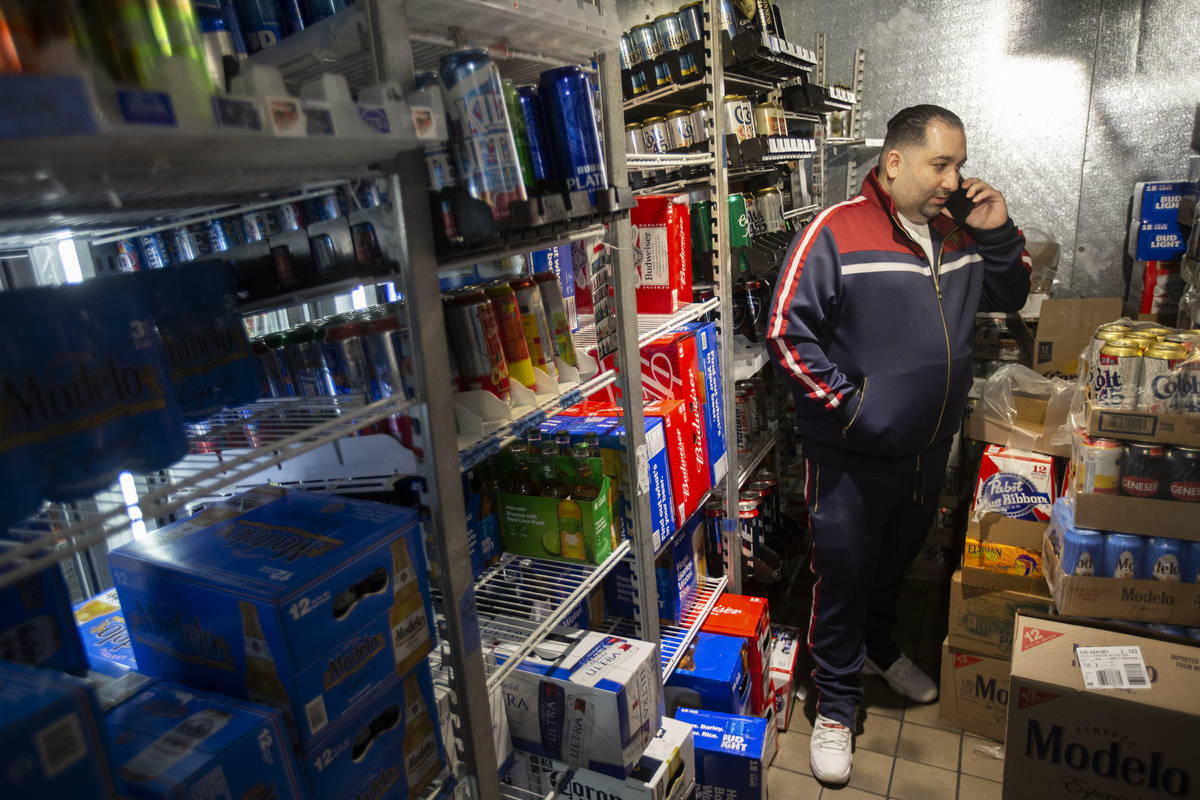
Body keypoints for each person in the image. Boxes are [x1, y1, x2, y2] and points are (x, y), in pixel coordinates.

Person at [766, 104, 1030, 784]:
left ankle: (879, 649)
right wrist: (854, 410)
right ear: (894, 162)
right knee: (845, 578)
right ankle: (834, 704)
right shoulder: (837, 231)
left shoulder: (958, 236)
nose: (953, 180)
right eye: (941, 164)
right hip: (851, 455)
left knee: (892, 564)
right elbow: (787, 333)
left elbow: (1012, 290)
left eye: (959, 166)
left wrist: (997, 232)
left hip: (925, 449)